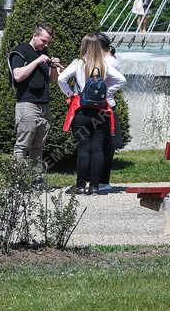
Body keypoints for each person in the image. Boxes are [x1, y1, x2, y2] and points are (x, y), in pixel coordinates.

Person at [58, 34, 126, 195]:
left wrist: (71, 94)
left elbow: (61, 79)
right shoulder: (104, 64)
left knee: (83, 148)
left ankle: (81, 185)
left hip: (81, 110)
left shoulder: (78, 63)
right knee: (98, 149)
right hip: (101, 112)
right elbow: (122, 80)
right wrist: (107, 94)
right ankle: (95, 186)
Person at [8, 23, 61, 166]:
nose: (46, 45)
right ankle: (17, 181)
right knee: (22, 146)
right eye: (44, 41)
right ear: (35, 35)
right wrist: (37, 61)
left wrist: (54, 67)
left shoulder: (44, 54)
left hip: (44, 105)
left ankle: (35, 182)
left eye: (48, 42)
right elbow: (17, 75)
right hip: (27, 104)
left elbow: (51, 80)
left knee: (38, 147)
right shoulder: (21, 50)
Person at [94, 32, 124, 194]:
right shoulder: (108, 61)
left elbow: (119, 81)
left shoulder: (108, 62)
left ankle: (99, 180)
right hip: (106, 106)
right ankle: (100, 180)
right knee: (105, 145)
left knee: (103, 145)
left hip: (104, 106)